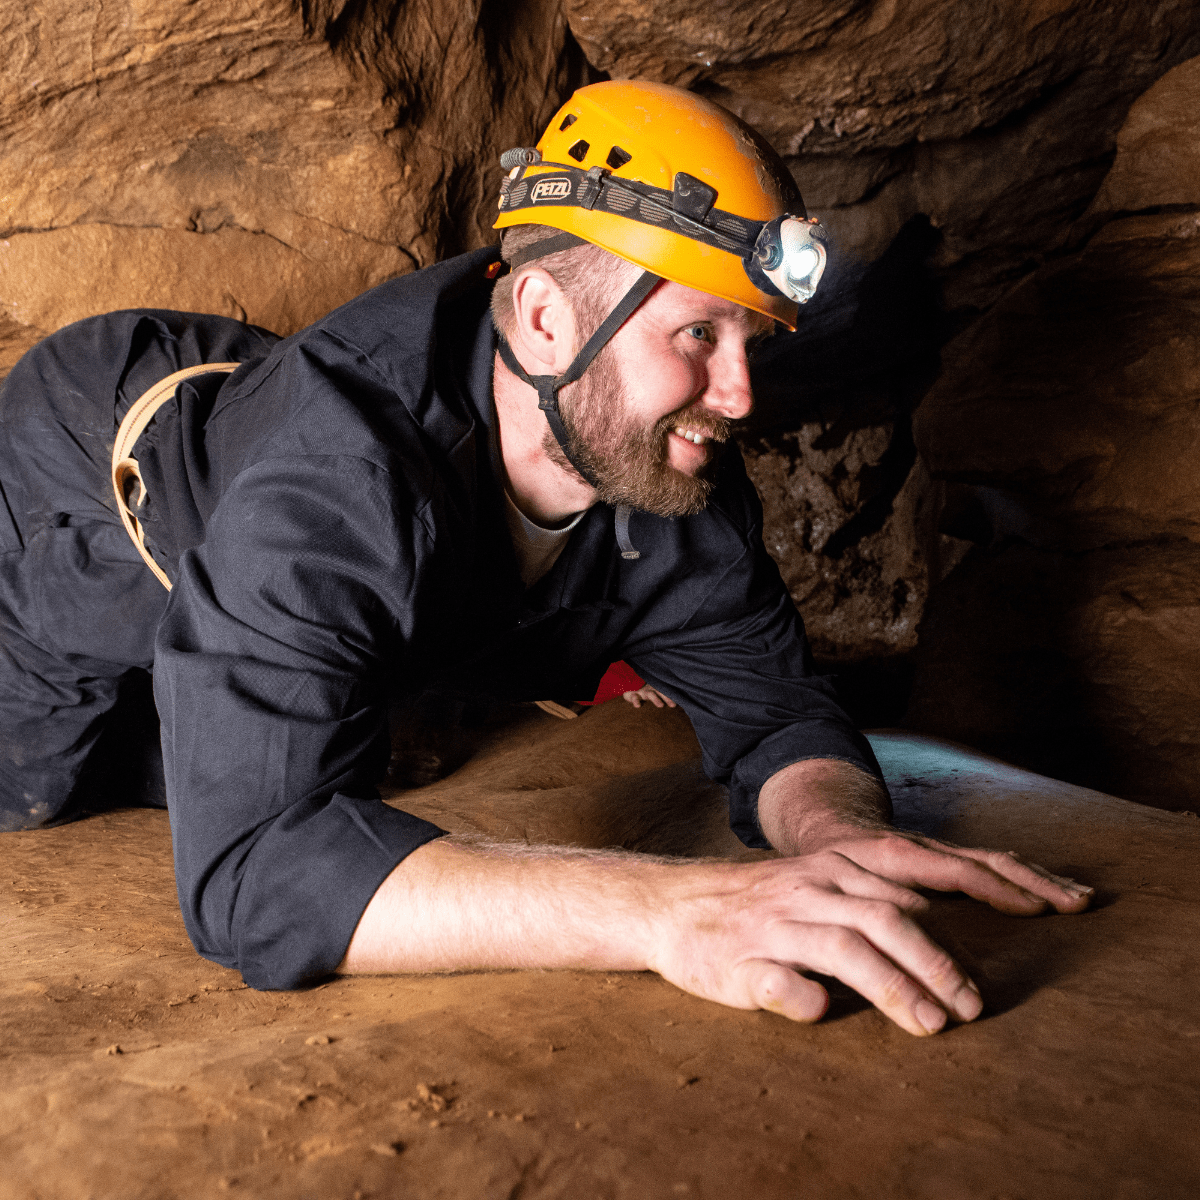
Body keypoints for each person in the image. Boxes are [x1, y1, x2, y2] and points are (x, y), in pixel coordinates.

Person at [0, 81, 1091, 1035]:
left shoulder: (665, 472)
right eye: (700, 336)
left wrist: (835, 833)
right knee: (39, 790)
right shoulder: (340, 477)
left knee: (326, 729)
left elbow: (776, 711)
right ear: (543, 318)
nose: (742, 396)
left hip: (271, 447)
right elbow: (252, 873)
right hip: (85, 485)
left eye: (751, 341)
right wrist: (674, 911)